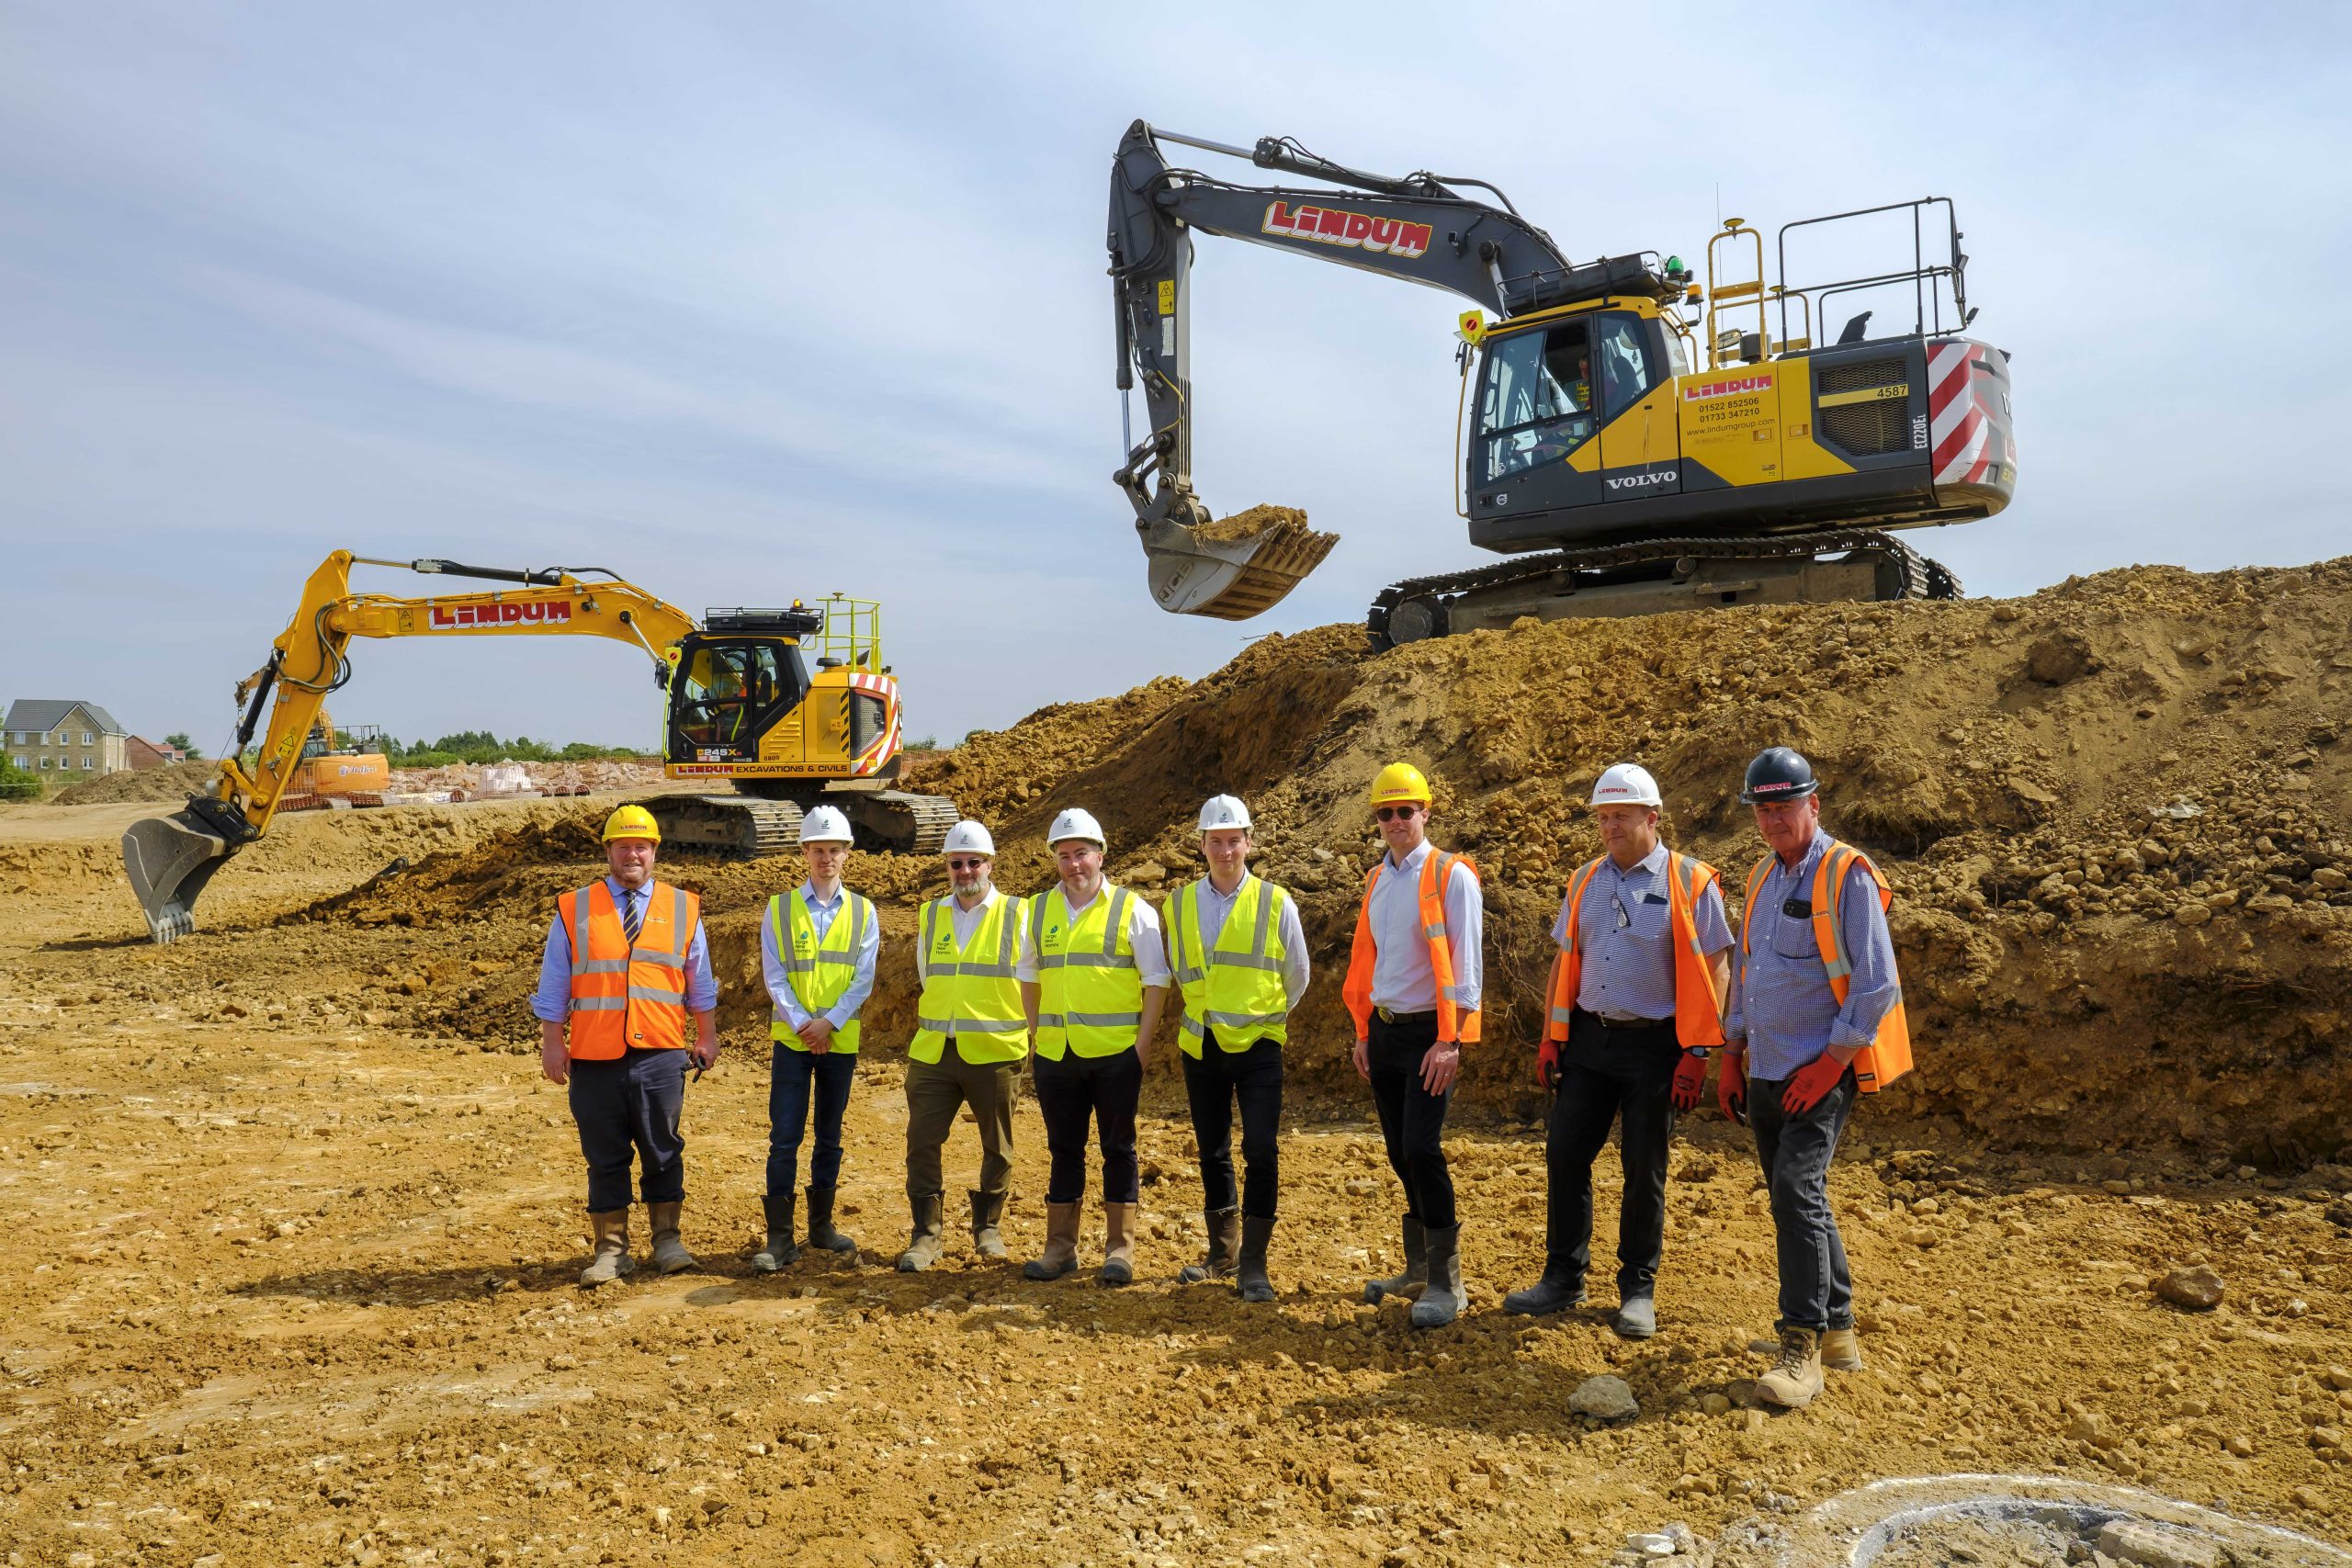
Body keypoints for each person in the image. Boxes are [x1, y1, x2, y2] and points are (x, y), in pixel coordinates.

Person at [1505, 763, 1732, 1338]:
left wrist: (1698, 1052)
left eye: (1621, 817)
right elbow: (1565, 959)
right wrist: (1552, 1035)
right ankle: (1563, 1278)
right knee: (1565, 1154)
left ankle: (1637, 1288)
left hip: (1656, 1047)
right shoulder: (1585, 880)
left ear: (1651, 817)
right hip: (1589, 1038)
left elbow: (1717, 968)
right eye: (1604, 818)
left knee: (1643, 1167)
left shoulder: (1689, 881)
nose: (1610, 827)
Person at [1723, 746, 1913, 1409]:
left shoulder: (1845, 873)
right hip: (1766, 1067)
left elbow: (1877, 981)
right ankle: (1839, 1333)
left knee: (1796, 1191)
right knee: (1793, 1194)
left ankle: (1799, 1345)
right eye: (1762, 809)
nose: (1772, 819)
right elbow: (1746, 971)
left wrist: (1830, 1063)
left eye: (1783, 806)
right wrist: (1731, 1051)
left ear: (1814, 805)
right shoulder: (1762, 877)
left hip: (1820, 1069)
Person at [530, 804, 719, 1286]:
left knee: (663, 1148)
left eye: (641, 846)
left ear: (654, 852)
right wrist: (554, 1043)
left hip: (660, 1052)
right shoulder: (575, 908)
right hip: (595, 1056)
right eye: (622, 846)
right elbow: (555, 983)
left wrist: (706, 1034)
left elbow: (699, 980)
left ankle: (668, 1242)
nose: (632, 854)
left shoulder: (684, 907)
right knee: (605, 1154)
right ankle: (612, 1250)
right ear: (608, 852)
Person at [1343, 761, 1484, 1328]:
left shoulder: (1452, 876)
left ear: (1426, 812)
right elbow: (1368, 960)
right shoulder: (1378, 879)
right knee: (1401, 1152)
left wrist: (1450, 1041)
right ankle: (1420, 1267)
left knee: (1423, 1148)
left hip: (1431, 1033)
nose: (1397, 820)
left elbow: (1467, 967)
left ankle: (1448, 1284)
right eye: (1386, 813)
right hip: (1385, 1032)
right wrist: (1362, 1033)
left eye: (1406, 810)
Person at [1164, 795, 1310, 1302]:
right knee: (1213, 1149)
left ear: (1249, 842)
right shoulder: (1178, 903)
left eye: (1234, 841)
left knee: (1262, 1150)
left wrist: (1264, 1016)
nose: (1225, 851)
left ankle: (1254, 1264)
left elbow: (1299, 974)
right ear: (1202, 846)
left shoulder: (1276, 901)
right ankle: (1221, 1254)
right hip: (1200, 1043)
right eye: (1215, 842)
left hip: (1258, 1048)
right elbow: (1182, 970)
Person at [1019, 808, 1171, 1285]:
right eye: (1064, 855)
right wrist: (1037, 1035)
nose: (1073, 864)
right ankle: (1060, 1249)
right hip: (1057, 1056)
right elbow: (1027, 975)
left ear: (1100, 854)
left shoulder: (1133, 909)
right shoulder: (1039, 910)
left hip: (1115, 1055)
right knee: (1064, 1149)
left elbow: (1157, 982)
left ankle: (1119, 1250)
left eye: (1081, 853)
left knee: (1118, 1149)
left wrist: (1141, 1049)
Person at [898, 819, 1033, 1272]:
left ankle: (988, 1228)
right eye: (957, 862)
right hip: (936, 1049)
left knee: (997, 1143)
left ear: (990, 864)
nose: (965, 870)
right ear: (947, 867)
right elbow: (927, 974)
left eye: (974, 861)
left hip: (995, 1049)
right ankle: (926, 1235)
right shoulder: (931, 914)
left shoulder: (1019, 914)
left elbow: (1032, 980)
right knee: (921, 1140)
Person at [752, 805, 879, 1271]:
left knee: (829, 1135)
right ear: (804, 852)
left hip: (838, 1042)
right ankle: (780, 1238)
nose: (826, 857)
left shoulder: (864, 912)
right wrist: (807, 1024)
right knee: (784, 1137)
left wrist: (830, 1024)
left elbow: (862, 979)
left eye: (834, 850)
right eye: (818, 849)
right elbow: (774, 973)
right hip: (793, 1041)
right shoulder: (779, 908)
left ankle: (821, 1228)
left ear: (847, 854)